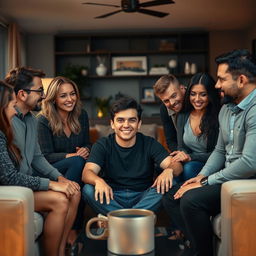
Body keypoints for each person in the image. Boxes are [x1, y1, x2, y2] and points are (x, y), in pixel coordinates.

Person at [162, 49, 256, 256]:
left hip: (246, 180)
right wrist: (200, 177)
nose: (217, 85)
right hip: (227, 178)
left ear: (241, 80)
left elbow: (250, 163)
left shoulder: (254, 110)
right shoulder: (227, 109)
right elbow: (220, 151)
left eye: (222, 79)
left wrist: (206, 182)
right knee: (175, 195)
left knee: (191, 200)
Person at [4, 67, 81, 256]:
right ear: (22, 94)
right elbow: (9, 177)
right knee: (60, 201)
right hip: (15, 188)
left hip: (27, 185)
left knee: (75, 192)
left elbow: (37, 157)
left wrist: (60, 179)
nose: (44, 96)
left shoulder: (31, 118)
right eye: (39, 91)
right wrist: (52, 185)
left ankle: (62, 248)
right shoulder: (6, 122)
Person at [82, 96, 183, 215]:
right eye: (120, 120)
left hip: (143, 196)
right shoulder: (103, 144)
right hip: (111, 196)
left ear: (139, 124)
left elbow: (178, 166)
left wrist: (169, 170)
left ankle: (119, 218)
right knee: (88, 189)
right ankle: (136, 217)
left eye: (132, 120)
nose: (126, 125)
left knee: (172, 184)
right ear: (112, 124)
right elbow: (87, 173)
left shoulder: (149, 143)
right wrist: (98, 181)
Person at [37, 76, 90, 244]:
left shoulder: (82, 115)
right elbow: (45, 156)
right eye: (63, 95)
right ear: (53, 99)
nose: (70, 99)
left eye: (72, 94)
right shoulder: (42, 120)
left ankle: (73, 228)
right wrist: (72, 156)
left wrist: (86, 149)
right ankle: (71, 230)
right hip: (51, 169)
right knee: (78, 163)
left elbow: (88, 143)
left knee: (81, 172)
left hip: (76, 169)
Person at [171, 73, 221, 182]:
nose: (197, 99)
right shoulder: (183, 115)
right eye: (193, 94)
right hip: (189, 161)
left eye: (203, 94)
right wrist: (182, 155)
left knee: (188, 168)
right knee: (170, 169)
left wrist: (191, 157)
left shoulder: (219, 116)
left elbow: (220, 153)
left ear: (210, 95)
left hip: (211, 165)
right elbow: (181, 147)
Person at [153, 74, 185, 152]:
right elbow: (171, 140)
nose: (172, 102)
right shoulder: (164, 109)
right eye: (166, 101)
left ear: (182, 88)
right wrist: (180, 154)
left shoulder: (195, 99)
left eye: (174, 96)